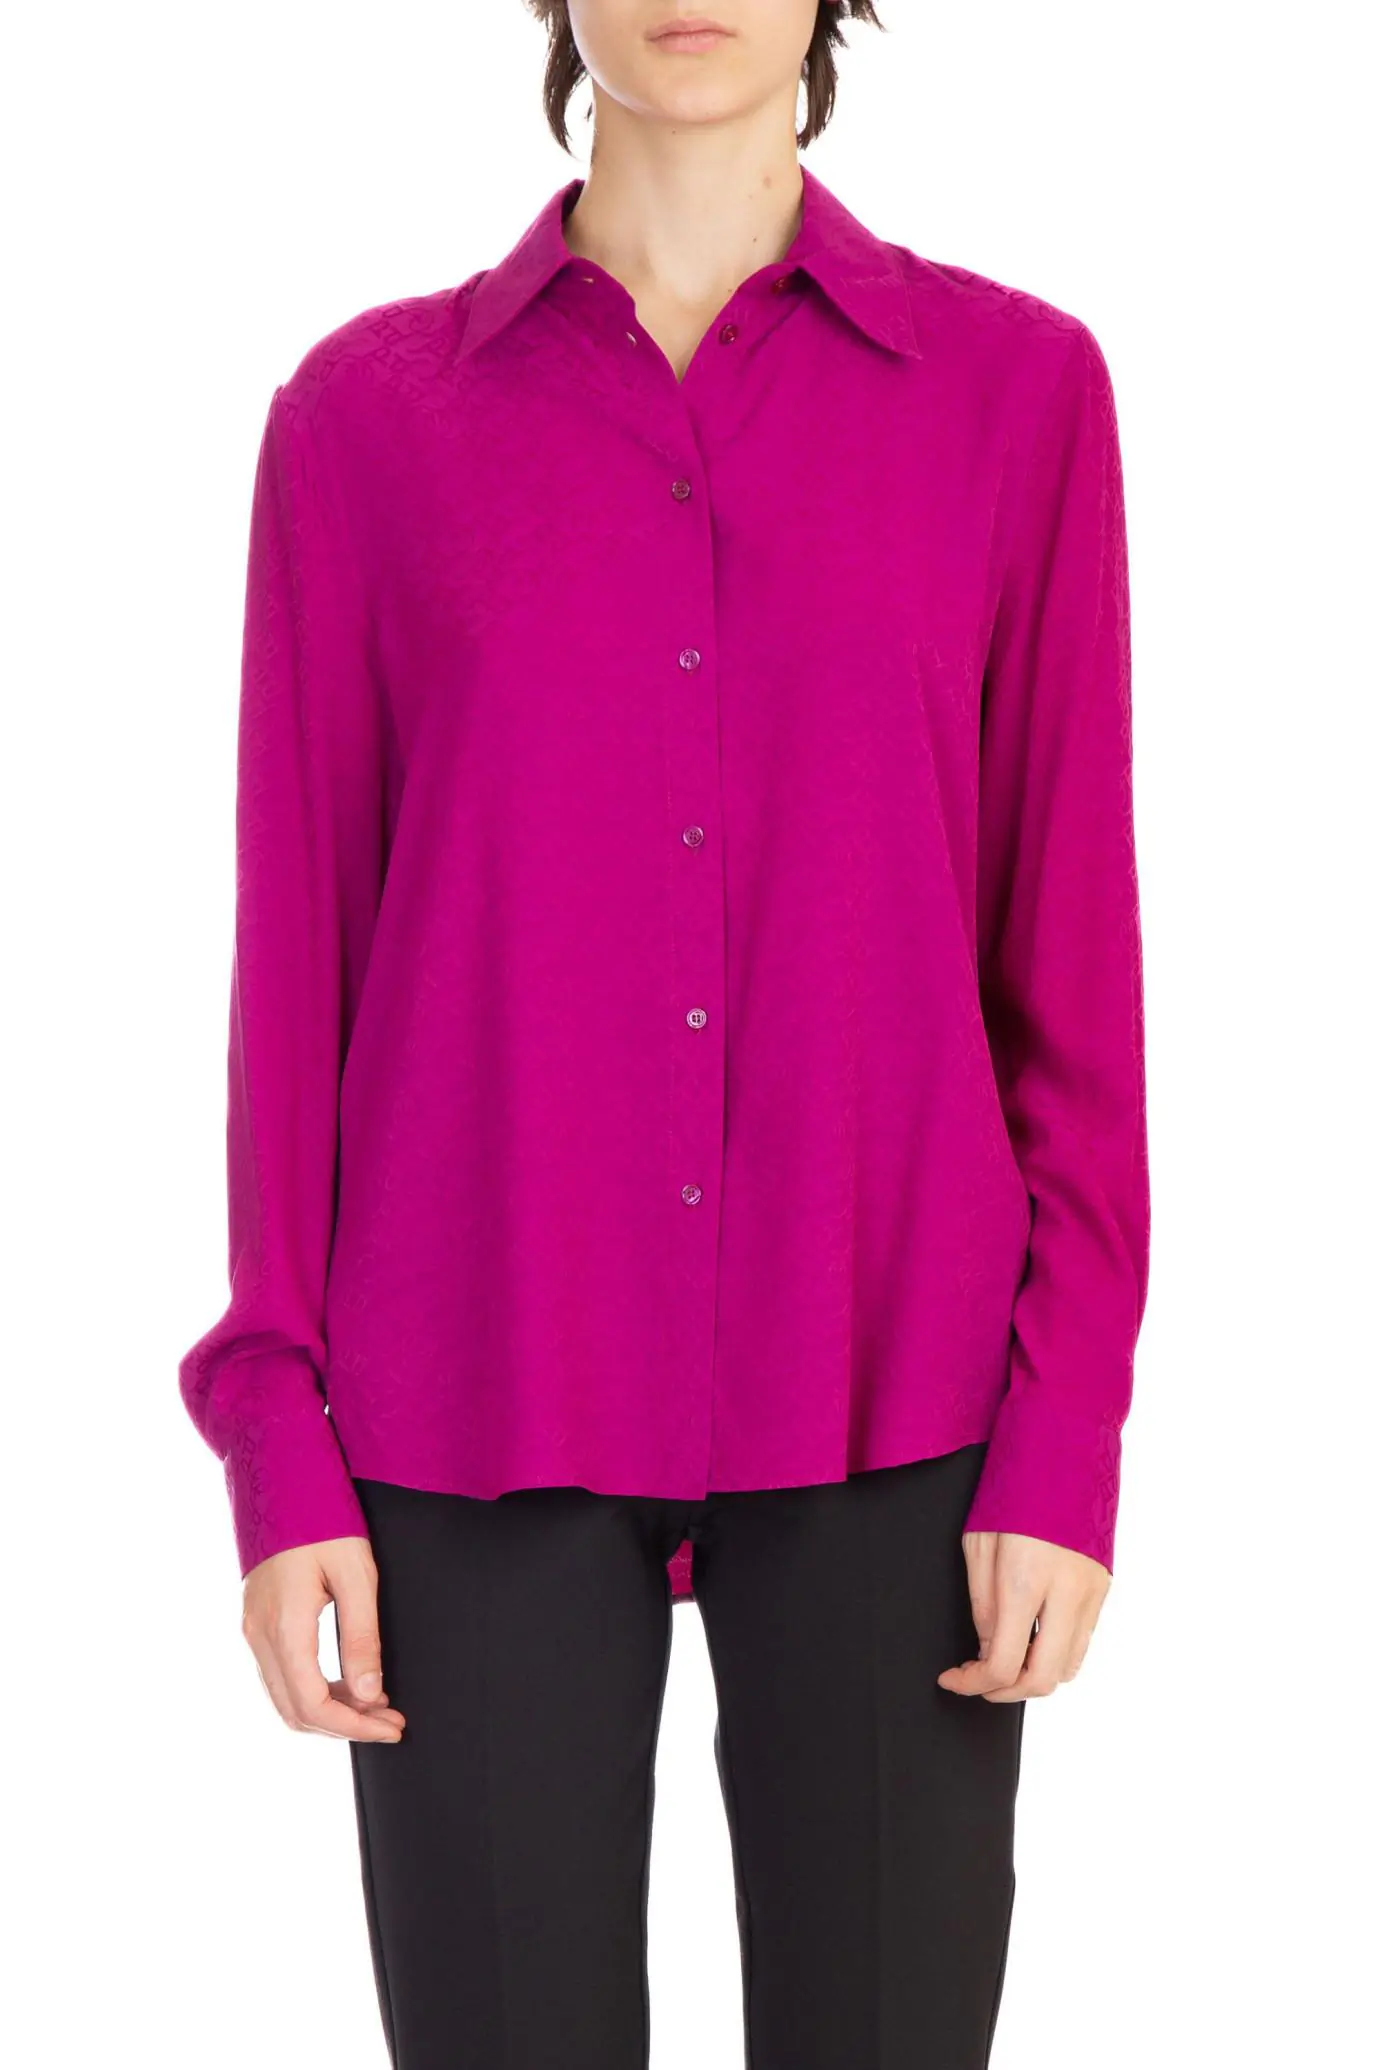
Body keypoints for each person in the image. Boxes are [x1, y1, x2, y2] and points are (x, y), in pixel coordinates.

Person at [177, 4, 1151, 2065]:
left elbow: (1066, 961)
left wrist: (1067, 1428)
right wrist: (279, 1438)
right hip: (475, 1388)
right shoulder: (364, 425)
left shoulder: (1019, 398)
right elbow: (298, 975)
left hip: (895, 1386)